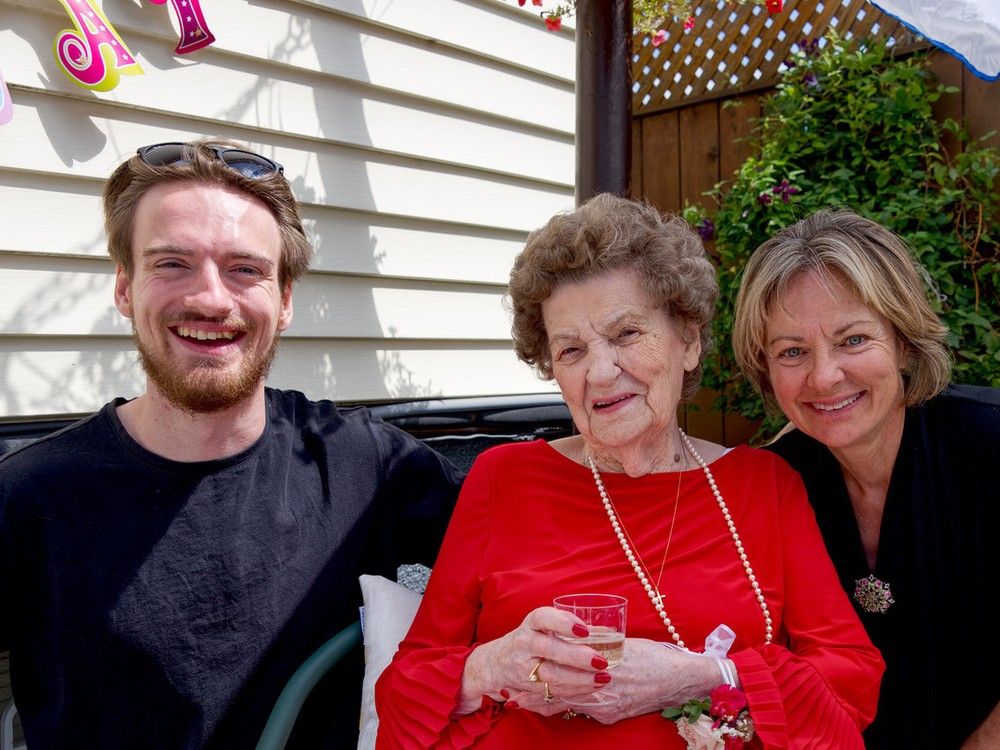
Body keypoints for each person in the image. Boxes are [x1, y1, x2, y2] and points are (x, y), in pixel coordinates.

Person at [0, 139, 463, 748]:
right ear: (123, 289)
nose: (211, 299)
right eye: (172, 264)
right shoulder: (30, 497)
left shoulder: (362, 466)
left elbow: (542, 538)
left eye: (245, 269)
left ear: (286, 298)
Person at [375, 194, 883, 749]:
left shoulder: (763, 484)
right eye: (571, 350)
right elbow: (405, 688)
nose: (600, 371)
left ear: (687, 341)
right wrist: (491, 665)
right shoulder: (503, 479)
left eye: (625, 335)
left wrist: (701, 676)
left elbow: (851, 677)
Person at [732, 208, 1000, 749]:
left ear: (902, 341)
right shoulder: (776, 482)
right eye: (792, 352)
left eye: (853, 340)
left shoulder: (988, 445)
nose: (825, 375)